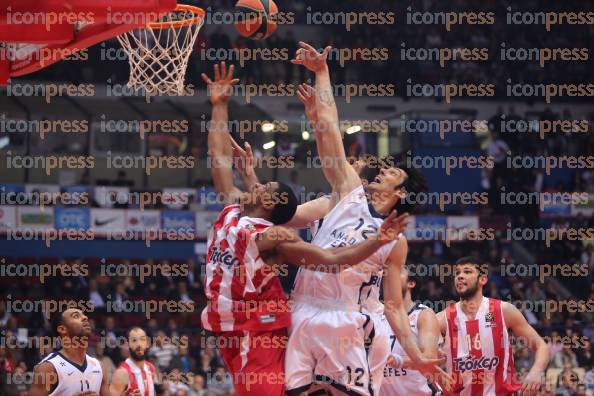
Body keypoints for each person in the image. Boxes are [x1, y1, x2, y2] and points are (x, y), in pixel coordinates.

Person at [200, 61, 411, 396]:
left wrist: (378, 241)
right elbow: (217, 157)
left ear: (269, 203)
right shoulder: (232, 208)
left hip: (262, 328)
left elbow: (331, 261)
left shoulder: (275, 235)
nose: (256, 184)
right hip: (231, 324)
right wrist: (219, 106)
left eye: (265, 186)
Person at [283, 42, 443, 395]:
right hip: (303, 308)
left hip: (348, 320)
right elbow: (328, 129)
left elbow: (394, 306)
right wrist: (322, 73)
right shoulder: (347, 192)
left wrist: (415, 354)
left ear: (402, 192)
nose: (383, 171)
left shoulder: (395, 242)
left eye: (392, 172)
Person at [436, 257, 550, 395]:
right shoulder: (442, 318)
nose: (460, 276)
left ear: (482, 280)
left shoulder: (504, 310)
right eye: (457, 273)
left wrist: (536, 372)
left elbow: (541, 346)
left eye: (467, 272)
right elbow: (420, 355)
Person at [28, 308, 125, 396]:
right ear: (62, 329)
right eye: (76, 316)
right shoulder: (48, 368)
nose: (85, 317)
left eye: (84, 315)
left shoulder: (99, 366)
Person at [380, 267, 442, 395]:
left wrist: (396, 360)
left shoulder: (424, 315)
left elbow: (429, 357)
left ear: (411, 283)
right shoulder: (377, 316)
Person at [110, 327, 158, 396]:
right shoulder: (121, 373)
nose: (139, 344)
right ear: (128, 344)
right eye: (134, 340)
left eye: (142, 339)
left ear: (147, 344)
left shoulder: (151, 368)